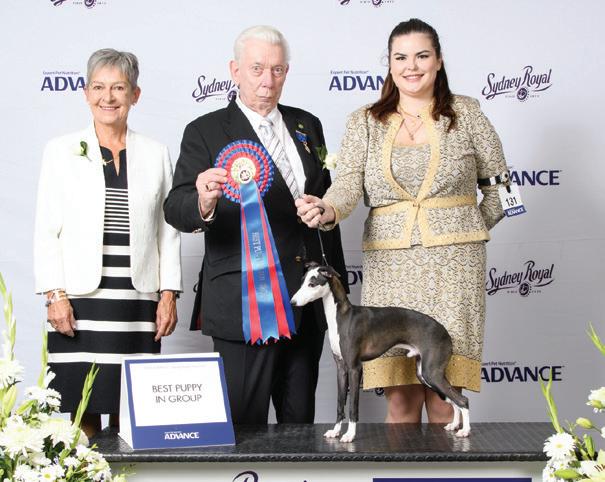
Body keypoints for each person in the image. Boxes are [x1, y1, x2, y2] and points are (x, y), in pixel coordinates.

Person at [296, 18, 507, 424]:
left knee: (444, 394)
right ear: (390, 64)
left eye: (422, 56)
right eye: (401, 57)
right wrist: (327, 209)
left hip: (455, 271)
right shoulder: (364, 120)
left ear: (439, 61)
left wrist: (466, 232)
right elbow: (347, 184)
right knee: (400, 400)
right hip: (391, 267)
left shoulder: (468, 113)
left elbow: (502, 189)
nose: (412, 66)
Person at [163, 25, 347, 425]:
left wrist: (324, 210)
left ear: (287, 72)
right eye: (257, 68)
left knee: (300, 430)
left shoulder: (307, 124)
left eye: (277, 70)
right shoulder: (205, 131)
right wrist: (204, 202)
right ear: (235, 70)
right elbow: (175, 207)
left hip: (308, 300)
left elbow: (328, 195)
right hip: (244, 305)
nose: (268, 81)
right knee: (244, 431)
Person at [34, 48, 182, 437]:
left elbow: (167, 230)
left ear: (135, 94)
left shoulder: (156, 152)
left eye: (118, 87)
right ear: (86, 93)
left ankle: (127, 469)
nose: (108, 97)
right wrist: (54, 295)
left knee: (130, 407)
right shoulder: (60, 150)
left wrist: (168, 294)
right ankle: (87, 468)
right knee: (82, 406)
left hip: (137, 298)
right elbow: (46, 230)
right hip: (79, 298)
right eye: (99, 87)